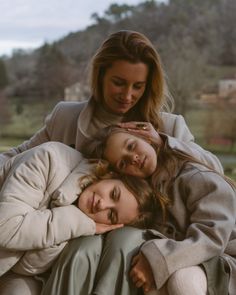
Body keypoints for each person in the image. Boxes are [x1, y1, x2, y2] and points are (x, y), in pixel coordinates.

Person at [0, 30, 224, 294]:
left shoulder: (169, 127)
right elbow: (17, 155)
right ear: (100, 75)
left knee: (122, 240)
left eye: (137, 86)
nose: (127, 95)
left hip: (133, 235)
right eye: (119, 82)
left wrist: (164, 142)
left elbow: (214, 172)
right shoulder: (66, 117)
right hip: (55, 236)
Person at [87, 124, 236, 295]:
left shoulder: (194, 176)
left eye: (130, 146)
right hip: (198, 261)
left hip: (226, 260)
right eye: (123, 163)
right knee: (151, 286)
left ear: (145, 138)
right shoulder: (150, 197)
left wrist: (159, 259)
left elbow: (212, 237)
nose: (133, 158)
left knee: (182, 281)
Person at [0, 141, 158, 295]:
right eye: (113, 193)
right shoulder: (50, 158)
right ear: (111, 174)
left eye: (111, 215)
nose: (102, 205)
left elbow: (26, 266)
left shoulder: (87, 226)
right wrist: (77, 220)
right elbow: (5, 229)